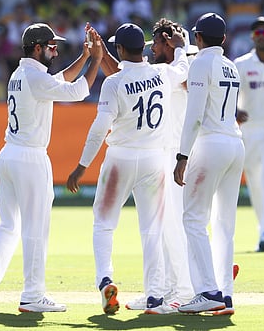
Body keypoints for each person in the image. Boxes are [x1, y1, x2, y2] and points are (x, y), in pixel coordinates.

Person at [0, 23, 103, 313]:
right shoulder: (33, 76)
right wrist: (97, 61)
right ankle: (32, 295)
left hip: (9, 155)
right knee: (35, 228)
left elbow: (58, 80)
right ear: (38, 48)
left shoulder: (22, 73)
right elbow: (77, 91)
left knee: (7, 225)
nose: (55, 50)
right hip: (30, 158)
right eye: (52, 46)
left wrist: (83, 56)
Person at [67, 22, 189, 315]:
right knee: (152, 230)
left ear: (120, 49)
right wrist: (182, 45)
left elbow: (99, 129)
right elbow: (183, 67)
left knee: (104, 223)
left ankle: (105, 279)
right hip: (154, 160)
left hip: (120, 159)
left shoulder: (114, 83)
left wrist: (82, 165)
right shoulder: (162, 73)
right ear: (142, 47)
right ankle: (155, 296)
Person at [174, 12, 244, 315]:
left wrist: (182, 155)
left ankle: (207, 291)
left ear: (198, 38)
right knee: (224, 223)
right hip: (234, 144)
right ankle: (224, 294)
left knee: (192, 219)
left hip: (211, 144)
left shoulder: (201, 62)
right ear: (224, 39)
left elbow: (196, 114)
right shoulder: (231, 65)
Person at [234, 16, 264, 252]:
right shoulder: (242, 64)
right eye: (257, 33)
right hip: (249, 131)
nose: (260, 36)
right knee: (256, 185)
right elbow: (230, 95)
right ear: (251, 37)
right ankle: (263, 231)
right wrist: (234, 110)